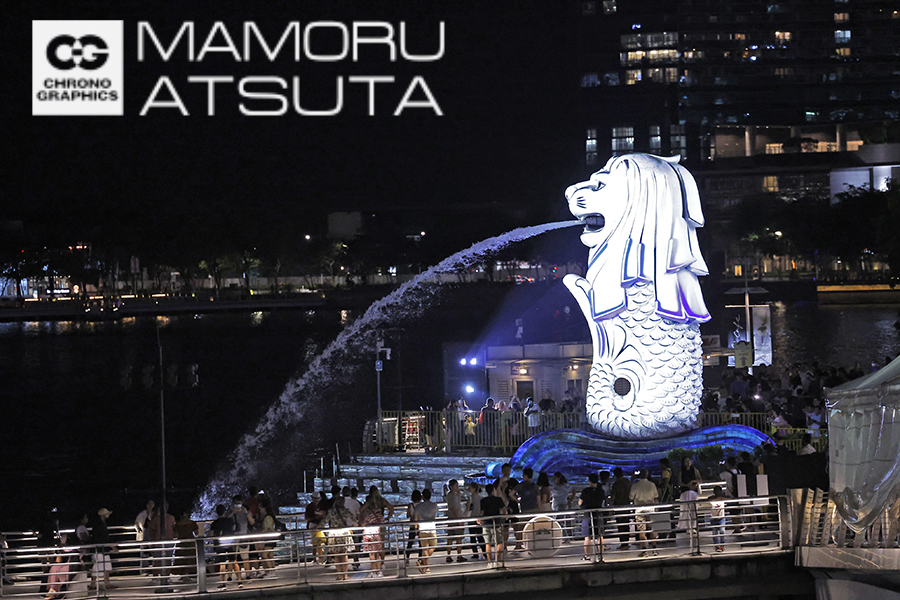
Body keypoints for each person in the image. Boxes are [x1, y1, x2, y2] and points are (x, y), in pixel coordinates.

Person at [324, 496, 356, 581]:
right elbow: (354, 520)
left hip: (334, 534)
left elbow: (324, 521)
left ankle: (339, 575)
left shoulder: (331, 511)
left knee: (337, 555)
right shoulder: (345, 510)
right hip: (344, 533)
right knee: (344, 555)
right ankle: (345, 575)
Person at [629, 470, 659, 557]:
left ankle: (644, 550)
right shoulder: (652, 484)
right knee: (651, 529)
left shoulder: (635, 485)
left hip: (639, 509)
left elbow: (631, 497)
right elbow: (656, 496)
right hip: (650, 509)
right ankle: (654, 549)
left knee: (642, 530)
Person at [209, 504, 237, 590]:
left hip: (220, 543)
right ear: (224, 511)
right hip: (230, 542)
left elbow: (211, 534)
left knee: (222, 564)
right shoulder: (229, 520)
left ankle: (222, 583)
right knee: (234, 561)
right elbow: (234, 528)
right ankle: (240, 581)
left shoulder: (214, 523)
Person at [478, 483, 507, 566]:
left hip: (486, 523)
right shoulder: (498, 500)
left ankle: (490, 562)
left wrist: (479, 519)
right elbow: (504, 511)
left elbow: (481, 512)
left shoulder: (483, 501)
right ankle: (497, 561)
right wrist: (504, 517)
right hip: (497, 523)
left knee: (487, 543)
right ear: (493, 490)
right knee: (499, 543)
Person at [579, 473, 605, 561]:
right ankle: (600, 555)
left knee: (587, 536)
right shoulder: (601, 491)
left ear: (589, 480)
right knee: (599, 536)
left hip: (588, 514)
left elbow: (580, 502)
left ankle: (587, 556)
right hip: (598, 514)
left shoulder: (586, 491)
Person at [229, 495, 254, 580]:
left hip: (244, 536)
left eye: (239, 503)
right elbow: (226, 521)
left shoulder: (246, 511)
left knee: (245, 557)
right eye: (236, 503)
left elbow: (252, 522)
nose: (238, 505)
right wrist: (233, 513)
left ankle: (248, 575)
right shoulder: (231, 512)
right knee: (232, 558)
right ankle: (230, 576)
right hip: (234, 537)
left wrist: (246, 513)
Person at [359, 493, 385, 577]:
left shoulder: (366, 512)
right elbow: (381, 520)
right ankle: (379, 571)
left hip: (368, 532)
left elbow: (362, 522)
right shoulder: (378, 510)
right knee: (377, 553)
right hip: (376, 531)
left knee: (371, 554)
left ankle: (373, 571)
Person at [414, 489, 439, 574]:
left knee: (424, 548)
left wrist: (416, 527)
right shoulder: (434, 505)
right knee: (433, 546)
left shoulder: (418, 506)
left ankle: (426, 566)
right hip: (432, 528)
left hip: (422, 528)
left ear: (422, 496)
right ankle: (423, 563)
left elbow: (416, 518)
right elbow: (436, 511)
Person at [444, 480, 467, 563]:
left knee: (450, 538)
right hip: (456, 519)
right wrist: (459, 519)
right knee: (459, 538)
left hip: (450, 519)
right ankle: (459, 555)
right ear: (451, 487)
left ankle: (448, 555)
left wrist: (458, 495)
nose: (457, 487)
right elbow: (456, 508)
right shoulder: (453, 496)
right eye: (456, 485)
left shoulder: (449, 495)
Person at [91, 508, 114, 591]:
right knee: (102, 566)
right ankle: (103, 583)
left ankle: (97, 583)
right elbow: (104, 539)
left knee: (101, 566)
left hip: (100, 549)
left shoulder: (98, 524)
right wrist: (113, 547)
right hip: (101, 549)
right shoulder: (100, 525)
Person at [172, 510, 199, 581]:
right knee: (190, 559)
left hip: (181, 542)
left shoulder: (177, 524)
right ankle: (186, 574)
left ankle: (182, 575)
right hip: (190, 542)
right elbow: (196, 532)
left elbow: (175, 534)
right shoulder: (192, 523)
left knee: (181, 558)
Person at [610, 467, 632, 549]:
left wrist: (611, 506)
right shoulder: (628, 482)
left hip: (618, 506)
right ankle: (626, 542)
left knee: (620, 525)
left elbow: (613, 496)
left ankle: (623, 543)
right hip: (627, 505)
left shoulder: (616, 484)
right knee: (626, 524)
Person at [676, 480, 700, 550]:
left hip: (688, 505)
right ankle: (690, 528)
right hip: (691, 506)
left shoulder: (687, 494)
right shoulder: (691, 493)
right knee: (690, 514)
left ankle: (690, 528)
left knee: (690, 514)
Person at [466, 482, 487, 561]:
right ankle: (484, 552)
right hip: (479, 518)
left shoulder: (470, 498)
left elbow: (468, 508)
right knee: (480, 536)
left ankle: (475, 553)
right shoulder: (481, 499)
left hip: (471, 518)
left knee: (472, 537)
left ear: (474, 489)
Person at [134, 500, 155, 576]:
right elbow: (136, 523)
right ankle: (144, 570)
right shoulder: (142, 514)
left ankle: (155, 568)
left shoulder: (155, 513)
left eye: (152, 504)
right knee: (144, 553)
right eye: (149, 503)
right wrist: (138, 529)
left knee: (155, 552)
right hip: (144, 534)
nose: (150, 505)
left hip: (152, 534)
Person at [305, 492, 326, 564]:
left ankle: (319, 557)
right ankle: (318, 558)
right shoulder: (312, 507)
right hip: (314, 524)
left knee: (318, 542)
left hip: (319, 524)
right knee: (316, 542)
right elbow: (307, 517)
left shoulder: (311, 506)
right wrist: (316, 517)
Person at [404, 490, 422, 566]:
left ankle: (407, 558)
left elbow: (408, 515)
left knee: (410, 542)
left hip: (412, 525)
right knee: (421, 543)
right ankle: (420, 558)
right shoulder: (421, 505)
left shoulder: (410, 505)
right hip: (420, 525)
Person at [709, 486, 728, 552]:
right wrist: (717, 498)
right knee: (715, 532)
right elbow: (709, 499)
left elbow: (729, 498)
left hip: (721, 517)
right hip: (713, 517)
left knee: (722, 531)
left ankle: (722, 545)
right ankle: (716, 546)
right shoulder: (712, 498)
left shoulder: (722, 498)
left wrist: (720, 498)